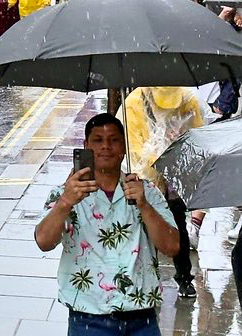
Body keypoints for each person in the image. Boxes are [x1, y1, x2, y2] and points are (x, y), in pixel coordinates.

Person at [35, 113, 179, 335]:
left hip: (142, 319)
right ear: (86, 146)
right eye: (98, 140)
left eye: (113, 140)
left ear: (123, 147)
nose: (106, 147)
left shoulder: (147, 192)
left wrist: (144, 206)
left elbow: (172, 246)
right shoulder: (65, 194)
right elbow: (44, 242)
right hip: (88, 320)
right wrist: (65, 203)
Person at [118, 86, 204, 299]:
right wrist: (159, 155)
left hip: (174, 178)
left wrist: (178, 145)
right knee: (145, 231)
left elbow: (199, 136)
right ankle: (144, 277)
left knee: (178, 227)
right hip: (145, 181)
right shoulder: (133, 103)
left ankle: (184, 277)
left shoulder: (188, 100)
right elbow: (133, 149)